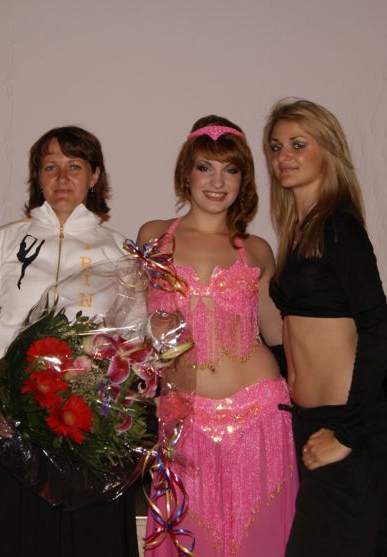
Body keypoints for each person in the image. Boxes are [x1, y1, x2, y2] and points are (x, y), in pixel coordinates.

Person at [0, 126, 139, 557]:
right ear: (37, 177)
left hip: (89, 425)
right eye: (50, 167)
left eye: (74, 166)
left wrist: (109, 401)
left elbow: (132, 339)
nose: (62, 178)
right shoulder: (5, 241)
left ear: (94, 176)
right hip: (10, 416)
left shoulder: (120, 250)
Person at [137, 116, 297, 557]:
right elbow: (131, 316)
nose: (217, 181)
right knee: (193, 538)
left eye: (231, 170)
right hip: (186, 418)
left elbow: (277, 331)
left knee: (260, 540)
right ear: (186, 173)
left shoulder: (256, 249)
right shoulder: (154, 238)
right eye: (205, 167)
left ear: (244, 180)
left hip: (260, 413)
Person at [264, 98, 387, 556]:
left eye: (298, 144)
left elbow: (379, 330)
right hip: (313, 422)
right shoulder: (299, 230)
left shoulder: (338, 227)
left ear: (328, 150)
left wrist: (347, 433)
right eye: (276, 146)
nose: (283, 155)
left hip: (346, 424)